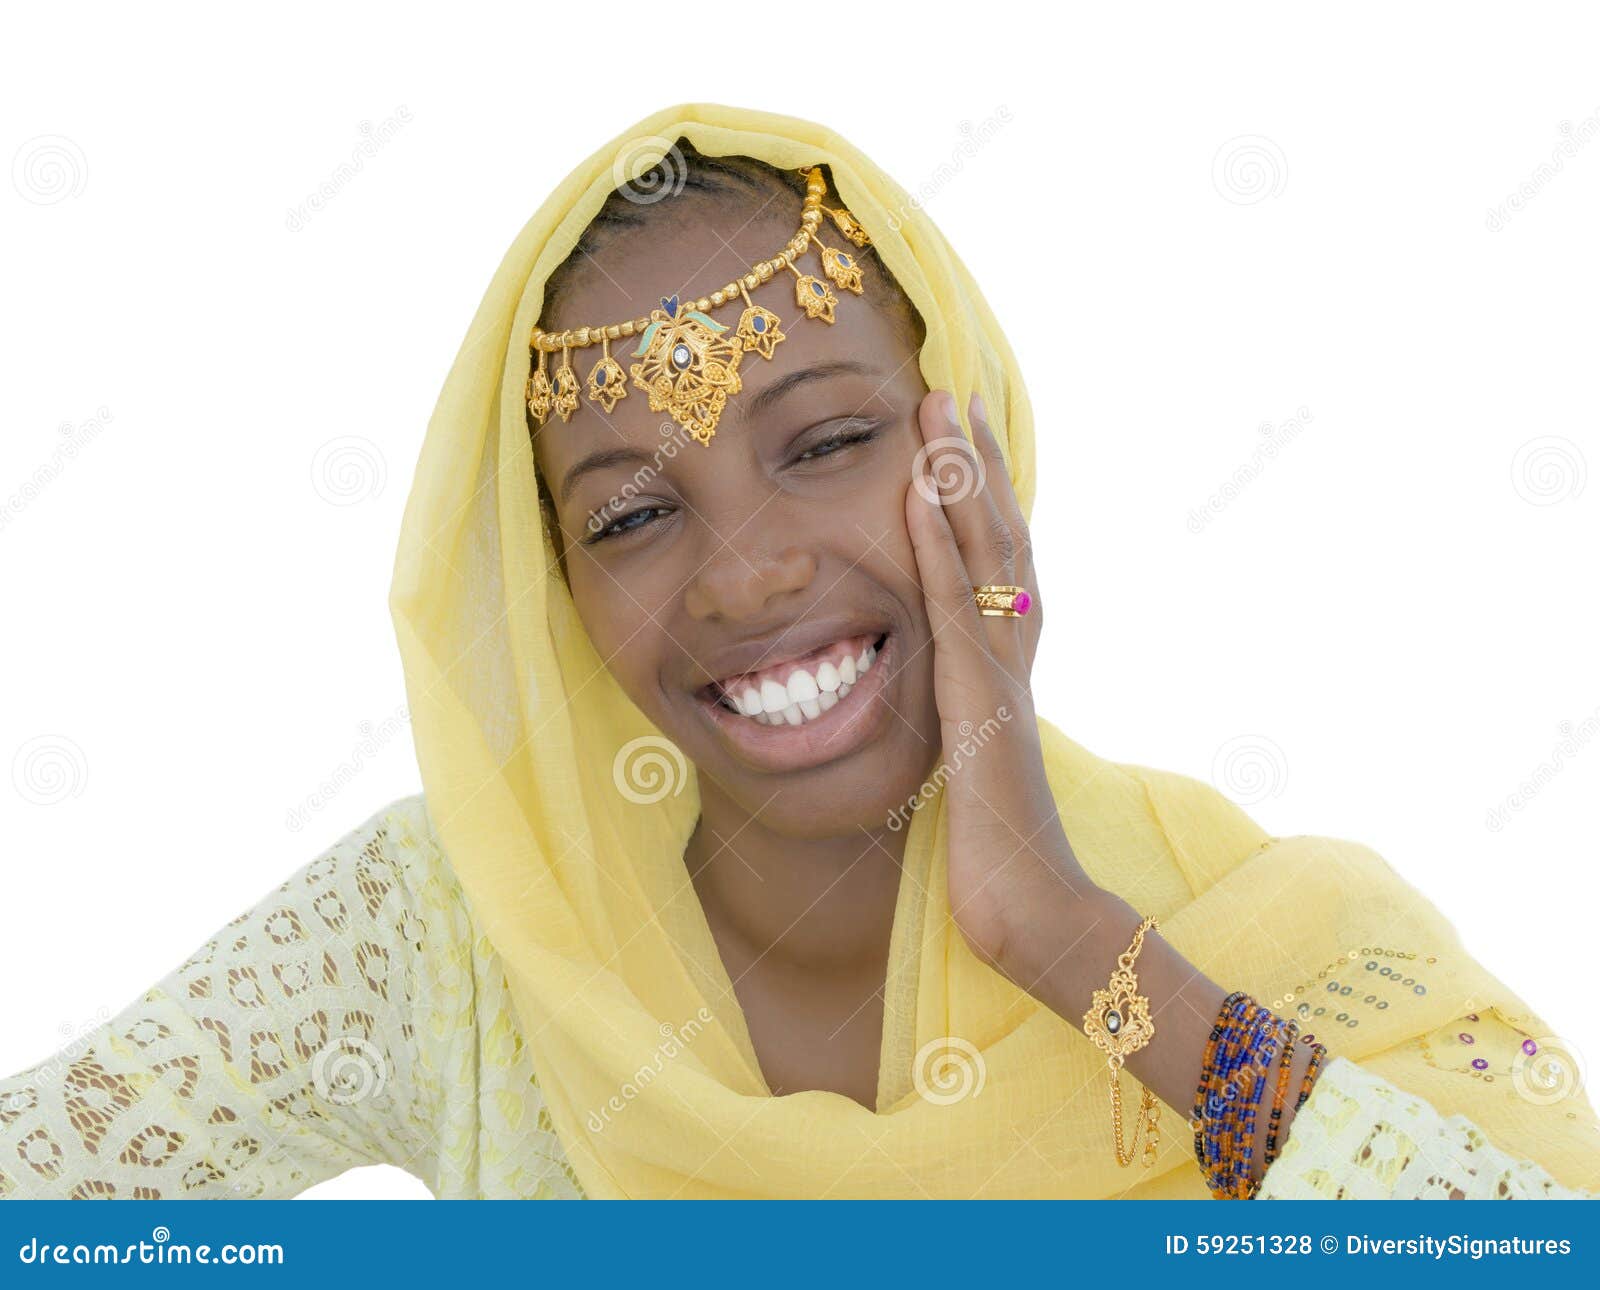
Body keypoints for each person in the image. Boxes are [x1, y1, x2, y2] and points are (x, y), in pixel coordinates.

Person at [2, 104, 1595, 1201]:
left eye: (827, 438)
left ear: (965, 443)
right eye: (630, 517)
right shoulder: (456, 935)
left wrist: (1059, 936)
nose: (748, 568)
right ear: (553, 587)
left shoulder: (1239, 923)